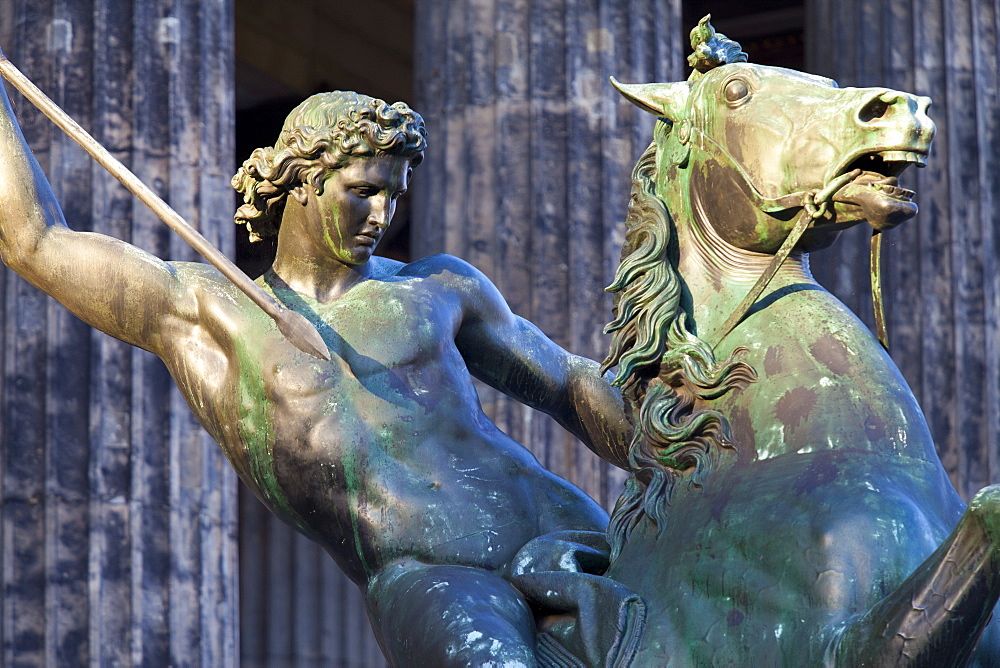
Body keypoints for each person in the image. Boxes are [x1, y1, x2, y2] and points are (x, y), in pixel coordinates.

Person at [0, 83, 630, 665]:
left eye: (393, 195)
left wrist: (668, 445)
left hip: (567, 528)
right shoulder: (205, 312)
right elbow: (32, 241)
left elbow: (568, 383)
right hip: (434, 578)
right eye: (362, 190)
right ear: (302, 181)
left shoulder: (435, 287)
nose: (382, 214)